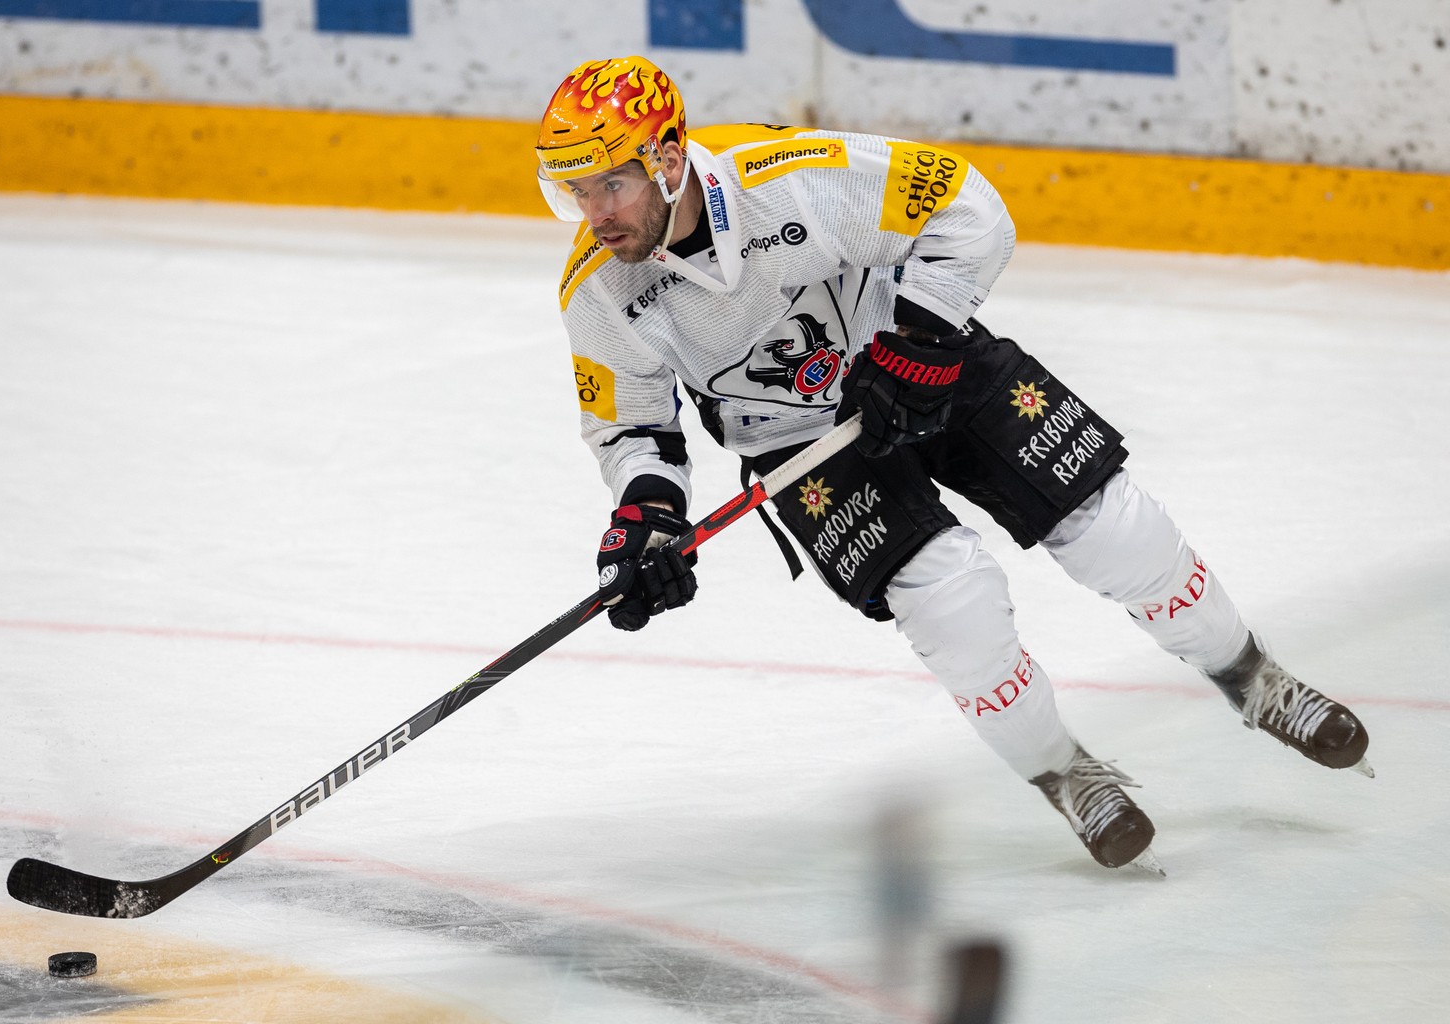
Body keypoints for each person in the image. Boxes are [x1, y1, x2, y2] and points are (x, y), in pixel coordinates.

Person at [534, 55, 1371, 873]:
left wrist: (919, 348)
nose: (596, 212)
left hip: (918, 355)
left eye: (612, 183)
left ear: (670, 159)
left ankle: (1254, 679)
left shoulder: (790, 178)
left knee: (1118, 531)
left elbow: (970, 208)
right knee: (952, 606)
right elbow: (632, 426)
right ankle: (1069, 776)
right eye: (577, 190)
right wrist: (643, 520)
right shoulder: (596, 290)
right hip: (798, 447)